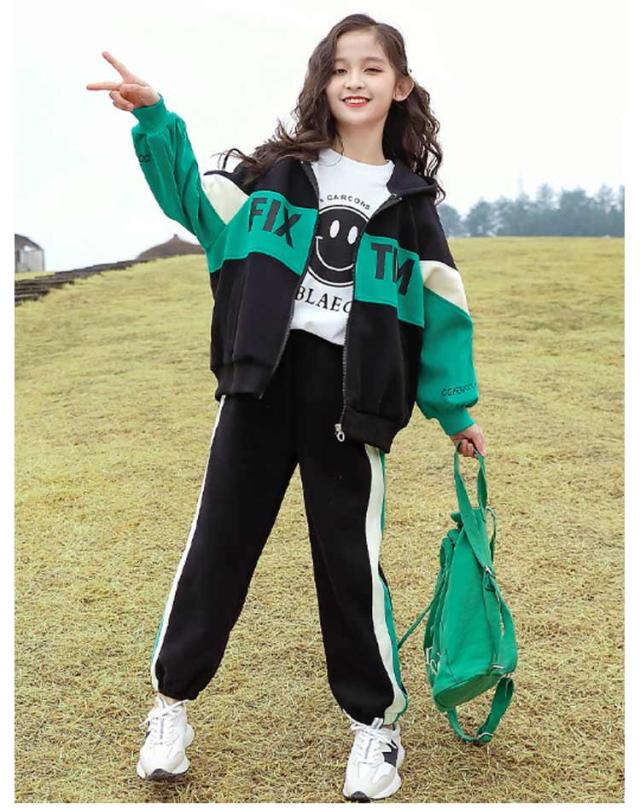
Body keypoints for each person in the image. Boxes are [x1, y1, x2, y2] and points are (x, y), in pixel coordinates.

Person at [86, 12, 487, 802]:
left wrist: (455, 411)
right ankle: (170, 708)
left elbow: (442, 315)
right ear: (322, 83)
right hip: (261, 383)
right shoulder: (275, 178)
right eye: (339, 68)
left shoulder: (410, 207)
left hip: (353, 399)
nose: (354, 80)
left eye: (372, 67)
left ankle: (375, 725)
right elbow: (188, 198)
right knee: (218, 547)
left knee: (349, 564)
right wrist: (156, 119)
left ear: (400, 86)